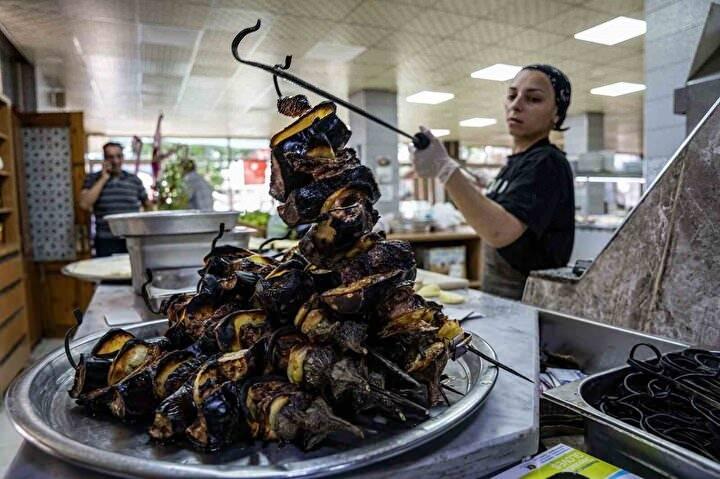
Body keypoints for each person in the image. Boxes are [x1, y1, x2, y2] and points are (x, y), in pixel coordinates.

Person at [411, 64, 575, 300]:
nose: (516, 104)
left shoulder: (547, 162)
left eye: (533, 98)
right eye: (511, 95)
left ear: (557, 113)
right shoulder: (516, 164)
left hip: (529, 299)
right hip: (500, 291)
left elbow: (499, 231)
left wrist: (445, 169)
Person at [80, 142, 151, 257]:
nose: (115, 161)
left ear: (123, 157)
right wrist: (103, 179)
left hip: (132, 239)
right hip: (106, 240)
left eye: (119, 156)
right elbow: (84, 204)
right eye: (110, 157)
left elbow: (148, 206)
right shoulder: (93, 179)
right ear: (105, 159)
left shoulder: (134, 180)